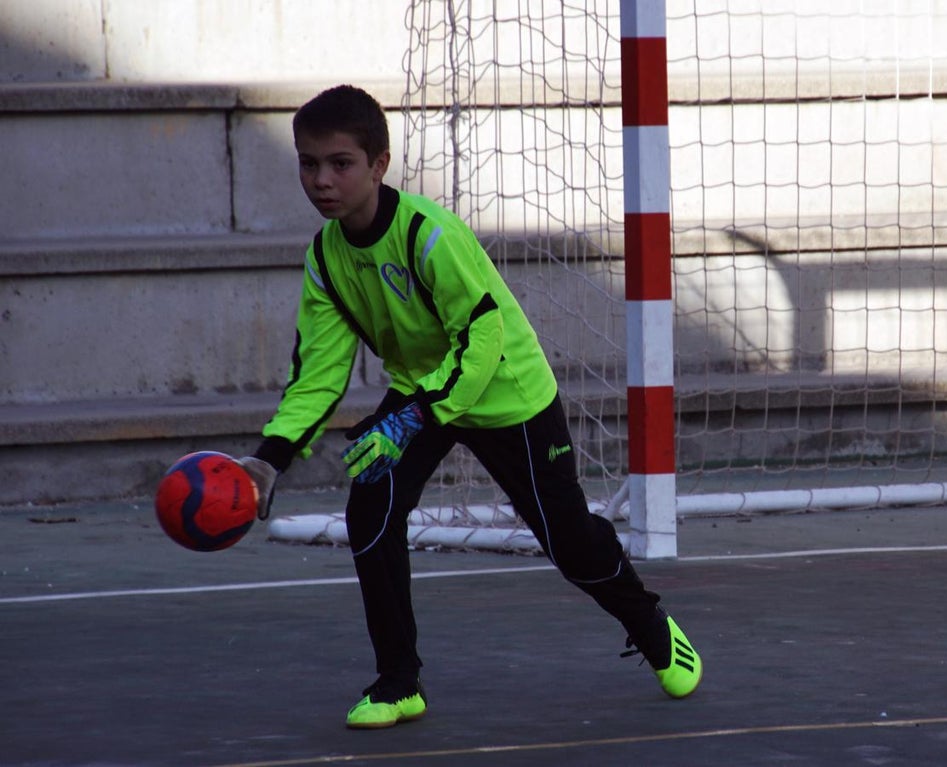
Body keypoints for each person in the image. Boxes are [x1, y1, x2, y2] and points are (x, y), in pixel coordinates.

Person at [238, 84, 701, 729]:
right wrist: (269, 460)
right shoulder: (326, 258)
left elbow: (482, 338)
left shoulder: (429, 235)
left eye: (339, 163)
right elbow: (317, 374)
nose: (321, 180)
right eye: (308, 164)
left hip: (508, 393)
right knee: (371, 501)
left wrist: (414, 415)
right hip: (424, 392)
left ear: (379, 165)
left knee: (570, 545)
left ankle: (650, 624)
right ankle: (399, 682)